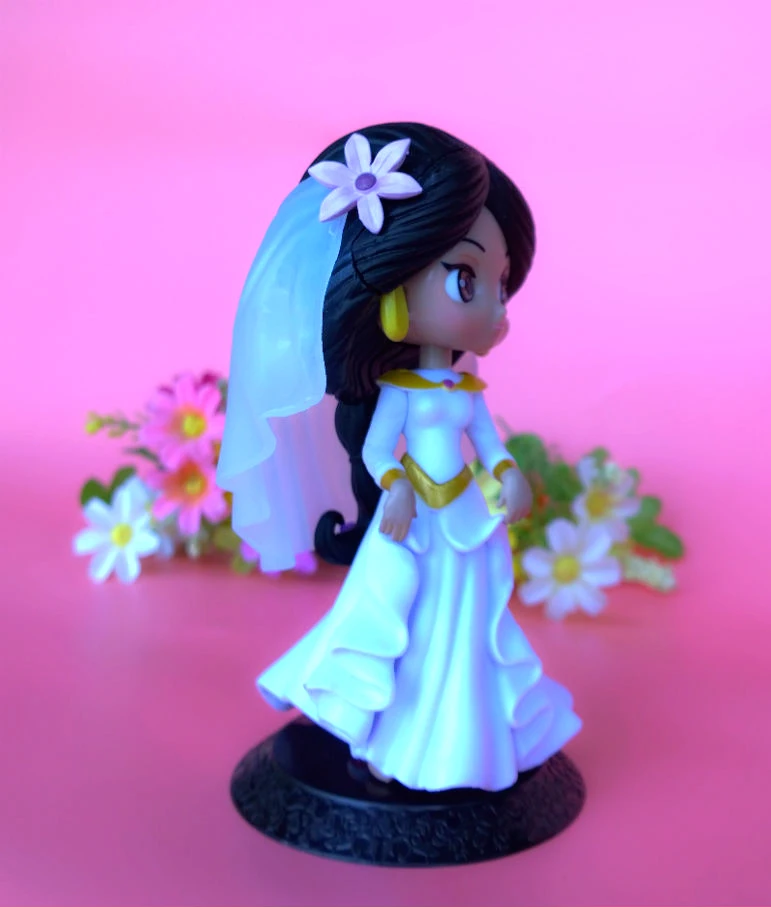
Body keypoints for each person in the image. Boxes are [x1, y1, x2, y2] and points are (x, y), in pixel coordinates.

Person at [218, 122, 581, 793]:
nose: (497, 309)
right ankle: (391, 733)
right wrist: (395, 485)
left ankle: (459, 737)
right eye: (467, 279)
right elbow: (380, 448)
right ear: (390, 281)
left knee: (463, 623)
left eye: (501, 284)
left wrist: (508, 475)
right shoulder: (400, 392)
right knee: (393, 622)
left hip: (464, 515)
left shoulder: (467, 390)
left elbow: (489, 444)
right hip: (413, 515)